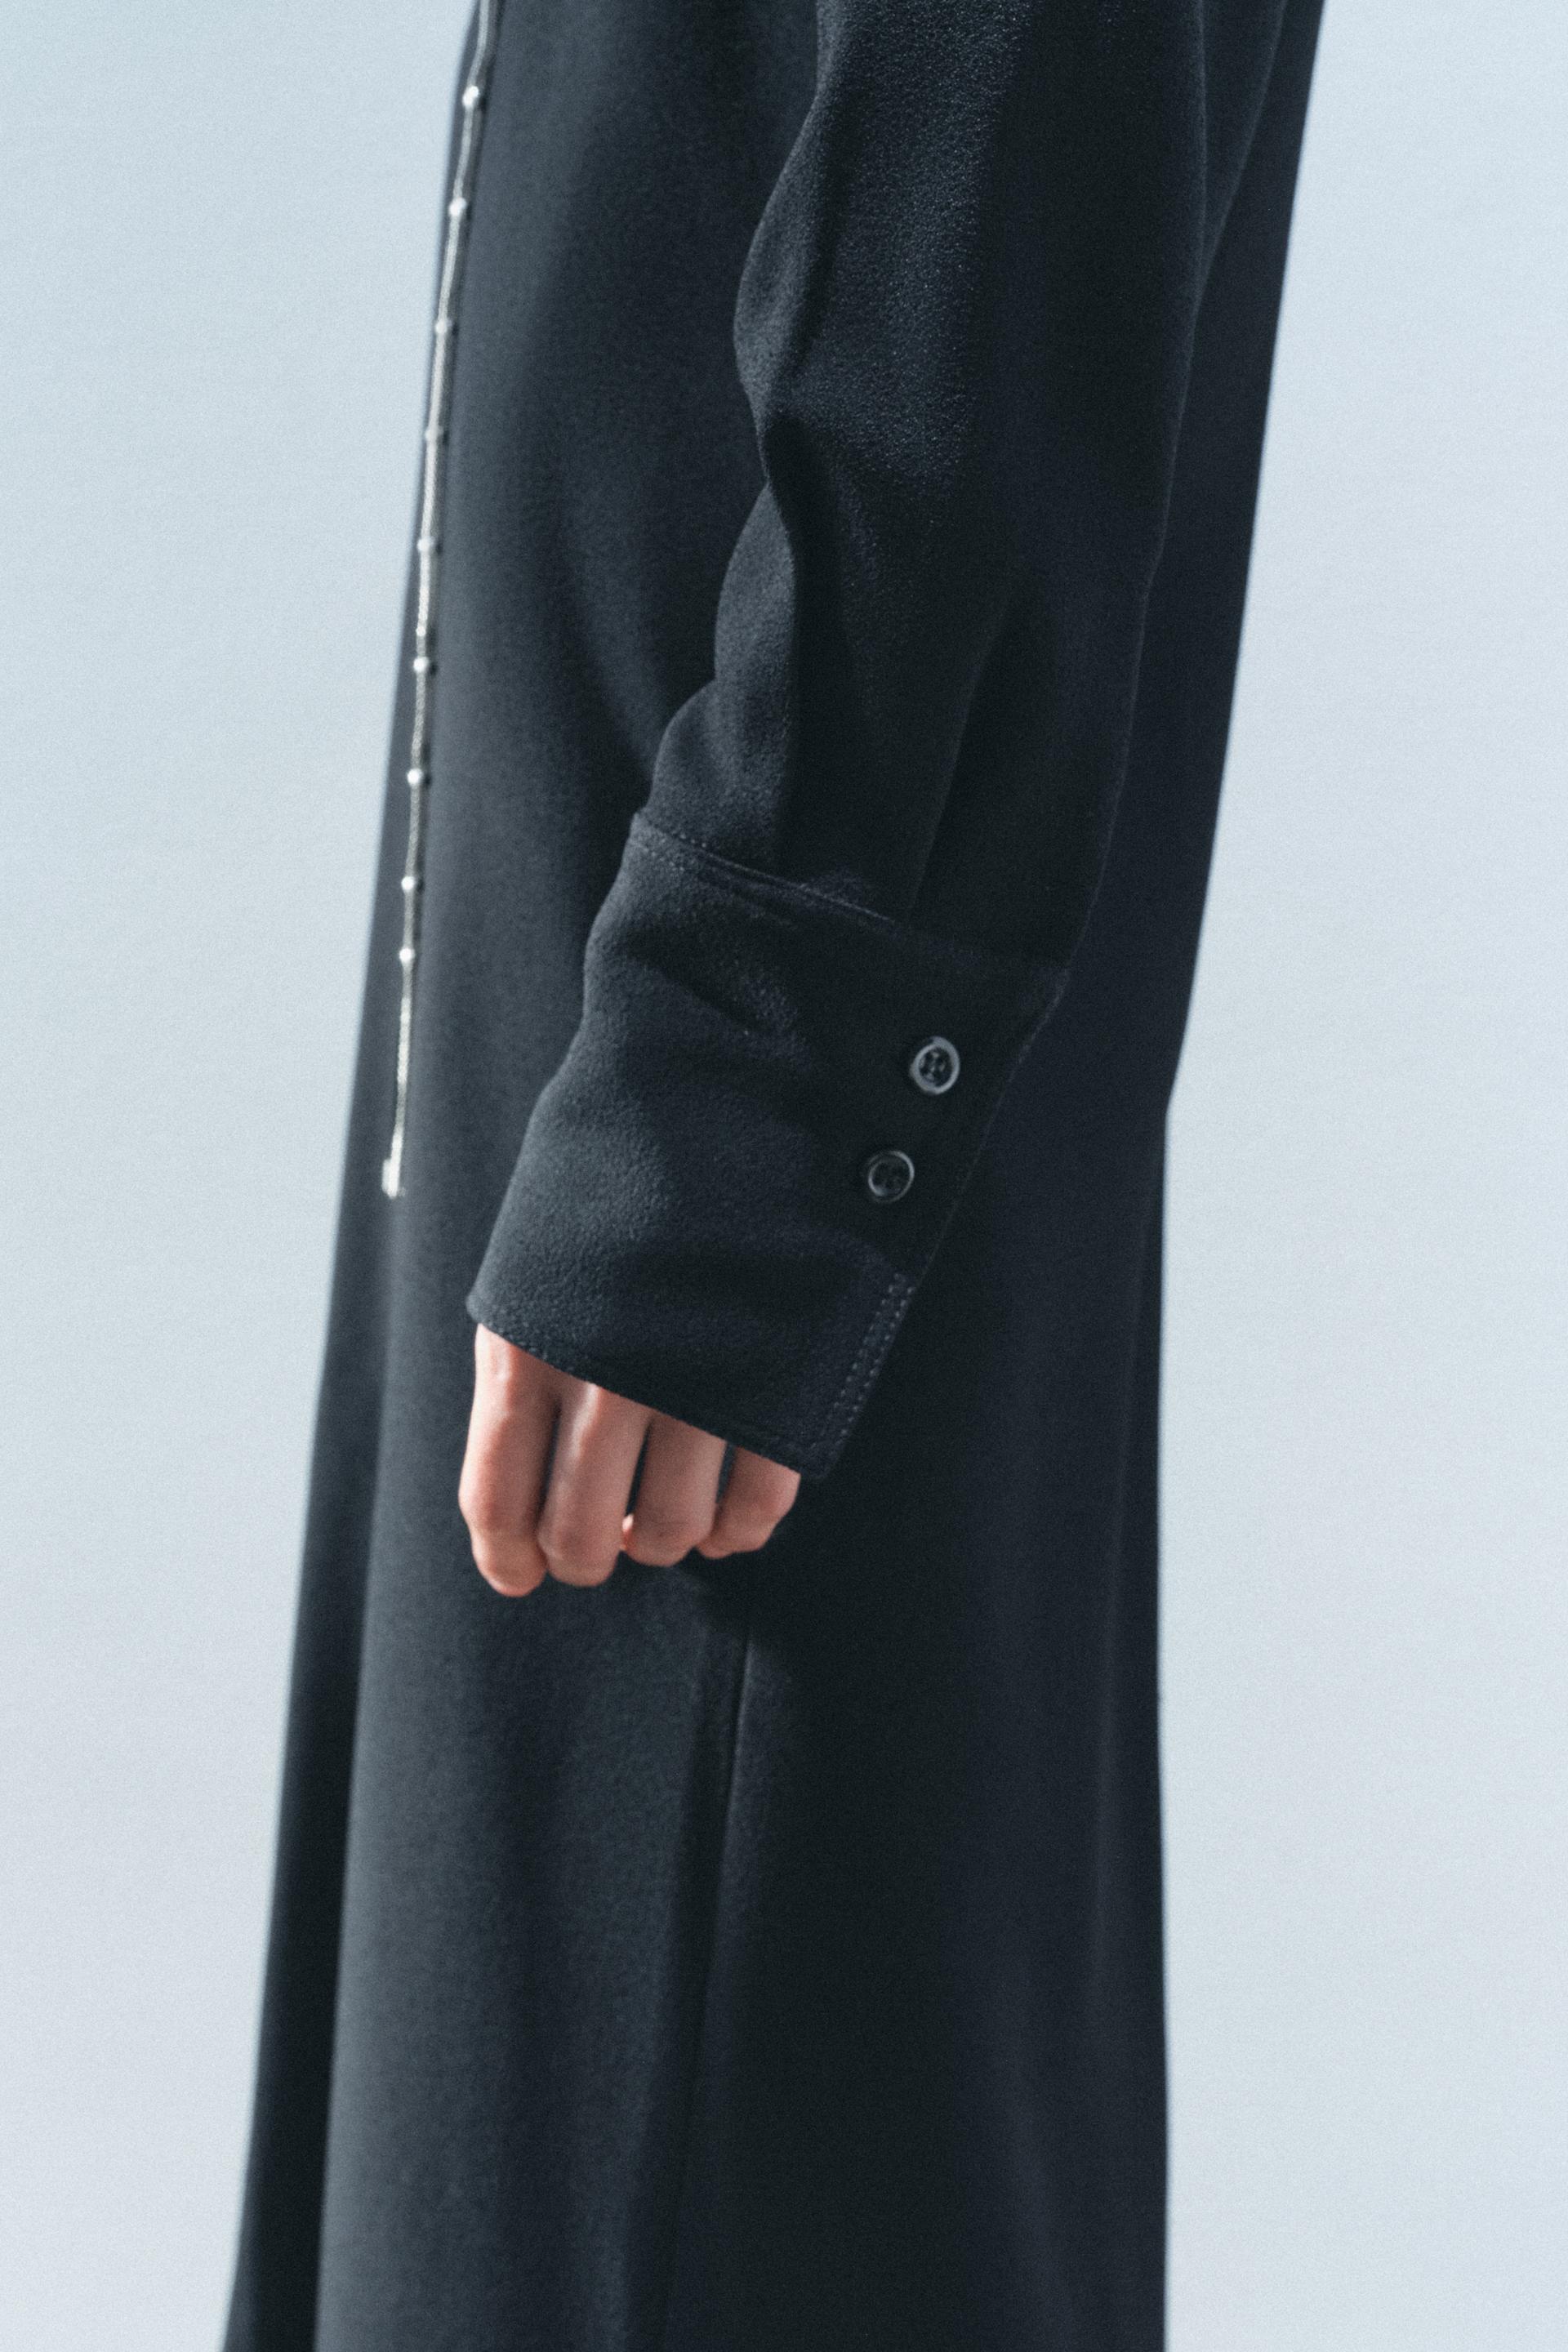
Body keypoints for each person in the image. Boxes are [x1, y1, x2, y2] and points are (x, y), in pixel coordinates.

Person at [225, 1, 1325, 2345]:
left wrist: (743, 1071)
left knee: (715, 2148)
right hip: (582, 939)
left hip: (710, 1038)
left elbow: (1008, 125)